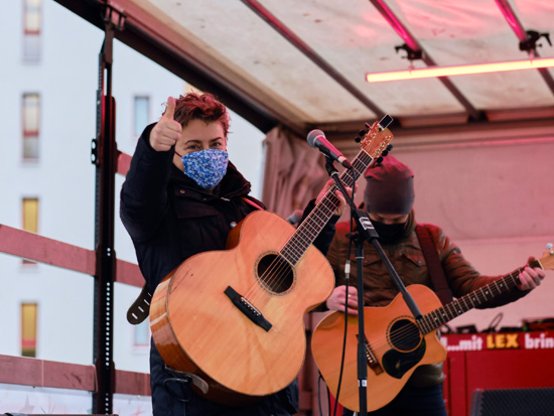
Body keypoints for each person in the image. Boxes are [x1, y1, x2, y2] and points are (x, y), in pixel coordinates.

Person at [120, 92, 345, 416]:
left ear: (227, 143)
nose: (207, 154)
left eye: (215, 144)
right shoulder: (160, 209)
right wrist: (152, 149)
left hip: (264, 376)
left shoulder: (252, 210)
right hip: (194, 377)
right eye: (193, 147)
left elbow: (296, 275)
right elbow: (137, 202)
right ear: (174, 151)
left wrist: (323, 217)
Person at [324, 155, 545, 416]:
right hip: (363, 377)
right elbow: (298, 285)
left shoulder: (431, 239)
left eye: (398, 220)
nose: (389, 225)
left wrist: (517, 283)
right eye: (381, 219)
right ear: (367, 208)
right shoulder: (340, 238)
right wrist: (327, 297)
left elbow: (471, 286)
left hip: (422, 381)